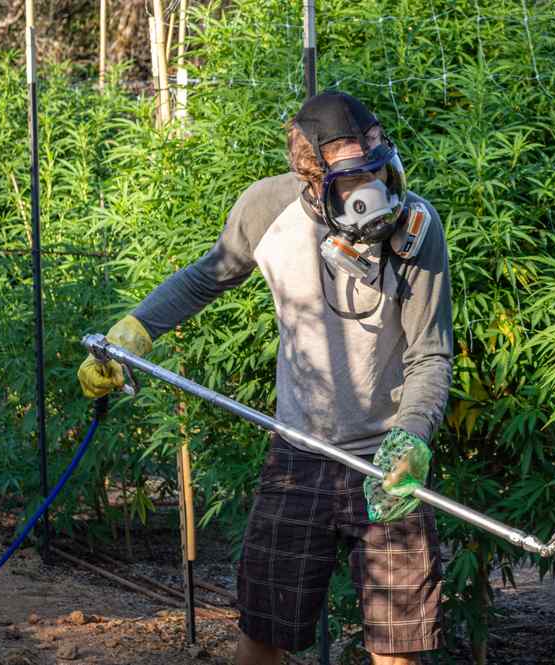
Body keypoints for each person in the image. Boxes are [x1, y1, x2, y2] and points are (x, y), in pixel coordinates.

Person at [77, 91, 453, 665]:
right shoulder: (266, 210)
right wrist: (134, 331)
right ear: (312, 179)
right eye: (356, 179)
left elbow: (430, 353)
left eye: (381, 169)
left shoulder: (416, 228)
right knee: (263, 631)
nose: (376, 192)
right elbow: (206, 277)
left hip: (387, 458)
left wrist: (413, 436)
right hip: (297, 455)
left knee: (398, 646)